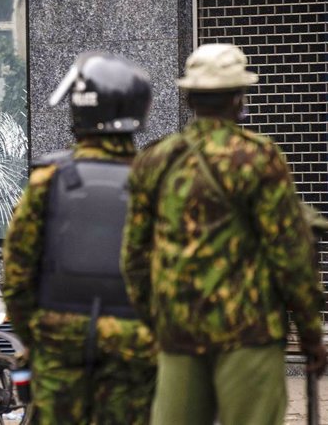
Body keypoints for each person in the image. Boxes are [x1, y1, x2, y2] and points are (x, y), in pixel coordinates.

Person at [121, 43, 328, 425]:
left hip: (179, 334)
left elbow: (134, 257)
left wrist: (156, 321)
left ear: (188, 98)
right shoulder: (260, 158)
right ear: (238, 98)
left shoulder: (156, 160)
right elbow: (290, 254)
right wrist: (311, 331)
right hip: (249, 334)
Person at [3, 52, 157, 425]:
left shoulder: (49, 179)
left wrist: (37, 334)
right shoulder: (157, 180)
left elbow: (17, 271)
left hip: (58, 340)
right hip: (134, 340)